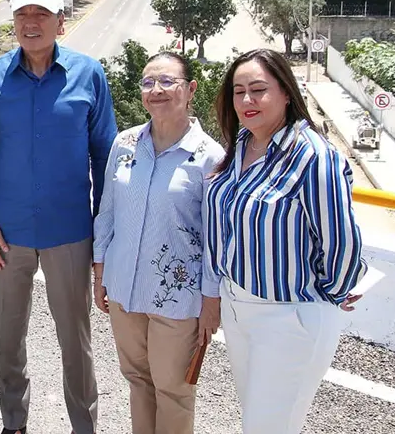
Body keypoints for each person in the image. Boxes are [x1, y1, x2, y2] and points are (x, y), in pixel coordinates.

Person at [0, 0, 118, 434]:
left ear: (61, 22)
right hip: (7, 232)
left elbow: (105, 156)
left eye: (41, 14)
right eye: (22, 14)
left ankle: (84, 426)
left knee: (75, 339)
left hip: (69, 231)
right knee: (9, 337)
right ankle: (14, 422)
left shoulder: (89, 74)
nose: (31, 23)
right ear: (13, 21)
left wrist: (102, 232)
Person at [204, 48, 367, 434]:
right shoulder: (241, 144)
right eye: (238, 91)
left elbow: (341, 243)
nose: (246, 100)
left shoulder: (313, 156)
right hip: (238, 307)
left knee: (267, 428)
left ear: (287, 94)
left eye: (258, 89)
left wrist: (327, 295)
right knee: (259, 421)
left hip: (288, 316)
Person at [92, 52, 225, 434]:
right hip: (123, 288)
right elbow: (107, 212)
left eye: (167, 81)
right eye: (149, 82)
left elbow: (218, 237)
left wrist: (211, 301)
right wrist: (100, 270)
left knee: (174, 390)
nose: (157, 90)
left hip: (177, 297)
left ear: (190, 90)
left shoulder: (210, 157)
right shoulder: (125, 143)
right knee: (137, 380)